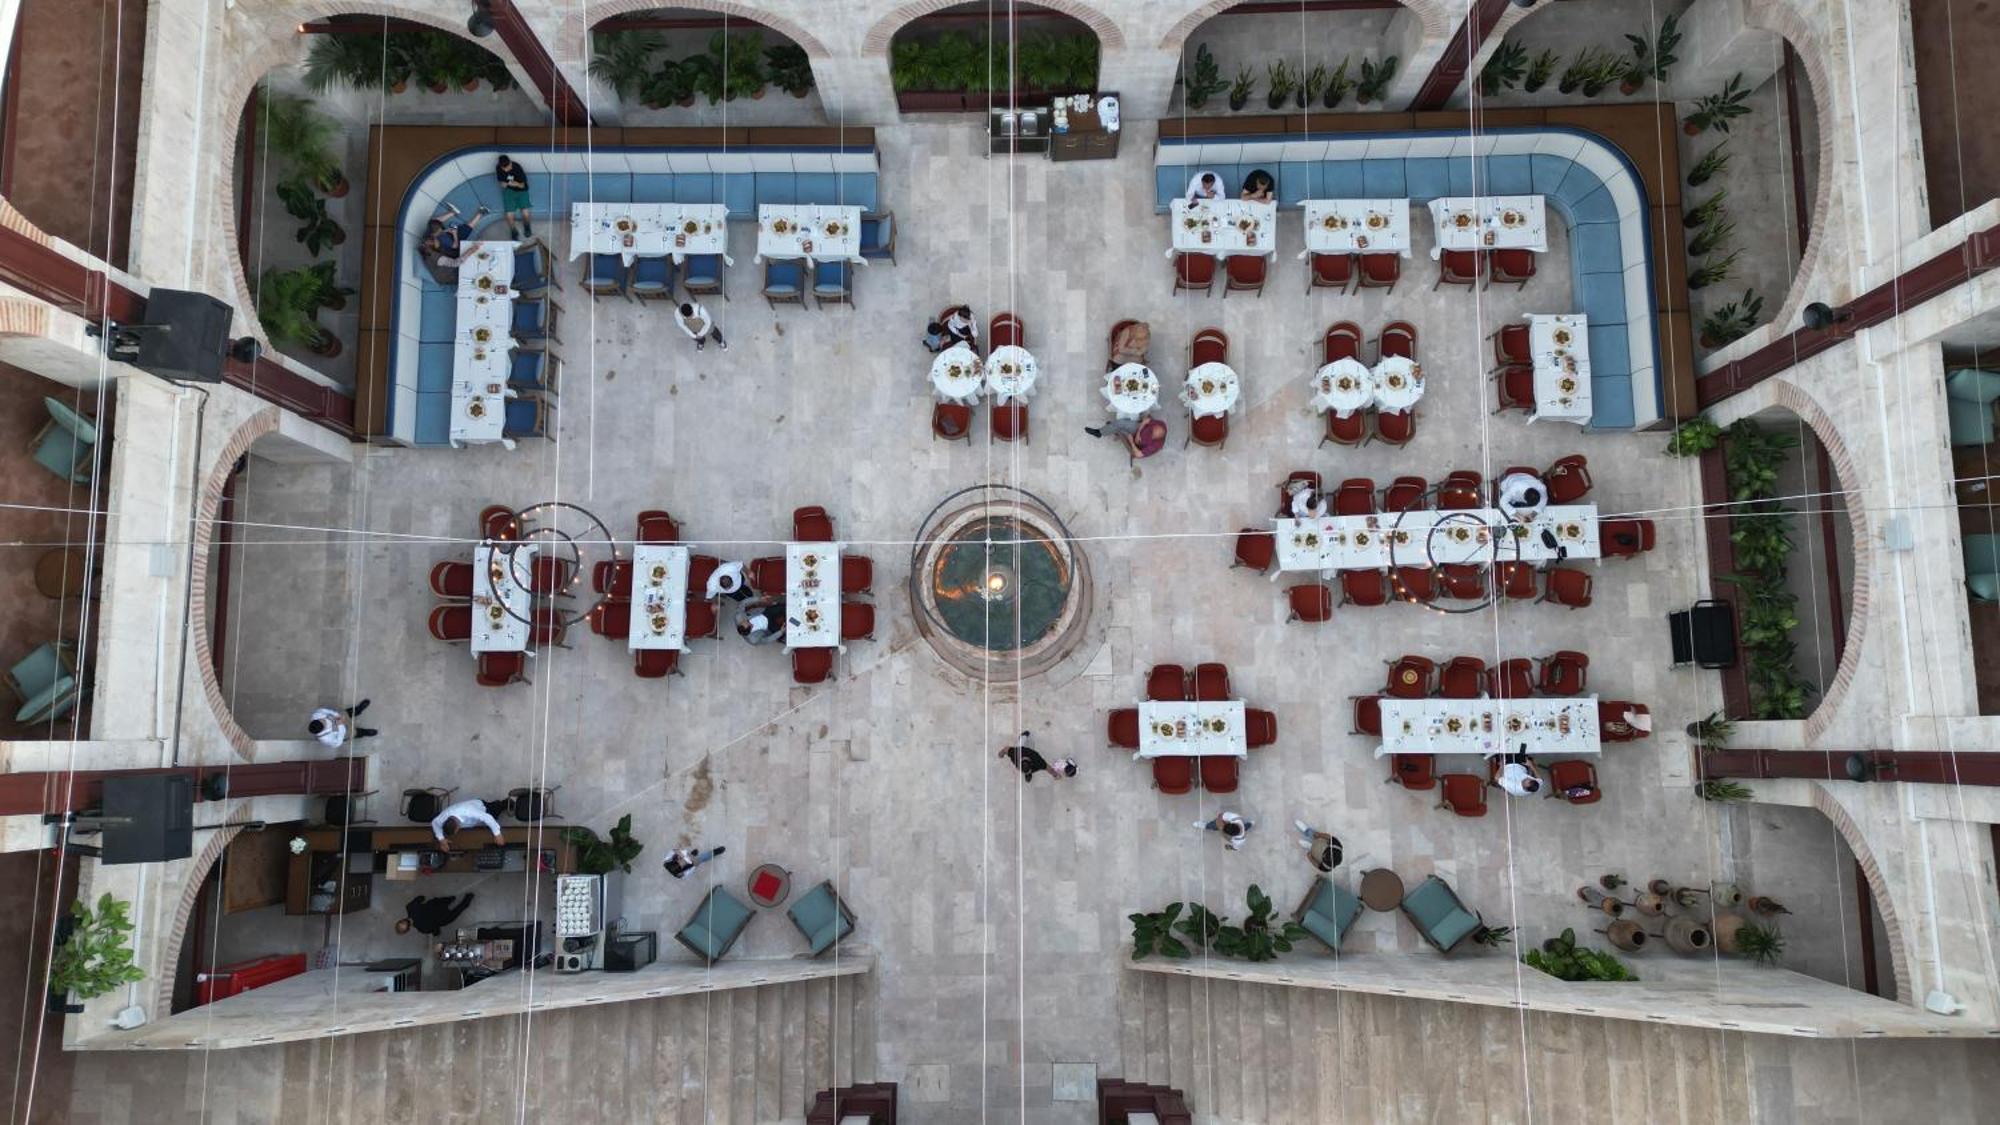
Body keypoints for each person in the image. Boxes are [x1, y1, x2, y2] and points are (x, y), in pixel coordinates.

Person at [430, 797, 507, 851]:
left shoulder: (468, 812)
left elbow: (487, 818)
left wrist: (498, 835)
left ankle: (507, 802)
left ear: (457, 827)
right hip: (469, 811)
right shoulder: (443, 817)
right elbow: (434, 823)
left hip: (480, 806)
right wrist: (442, 840)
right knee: (492, 818)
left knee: (495, 811)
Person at [1084, 415, 1168, 462]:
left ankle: (1109, 429)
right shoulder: (1161, 425)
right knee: (1121, 422)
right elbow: (1147, 420)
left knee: (1119, 429)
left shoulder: (1155, 446)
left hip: (1136, 444)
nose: (1152, 432)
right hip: (1138, 430)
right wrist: (1139, 432)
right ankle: (1101, 432)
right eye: (1153, 430)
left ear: (1157, 438)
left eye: (1153, 434)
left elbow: (1138, 455)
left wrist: (1132, 442)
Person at [397, 893, 474, 937]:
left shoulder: (422, 929)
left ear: (408, 929)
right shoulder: (410, 907)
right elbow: (421, 898)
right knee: (438, 901)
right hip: (438, 904)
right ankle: (451, 899)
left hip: (444, 917)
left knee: (457, 911)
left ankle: (468, 899)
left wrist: (435, 934)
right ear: (402, 919)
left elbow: (436, 930)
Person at [308, 699, 376, 747]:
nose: (324, 720)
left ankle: (359, 709)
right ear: (322, 730)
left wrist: (337, 716)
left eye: (322, 720)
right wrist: (340, 726)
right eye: (325, 723)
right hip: (343, 732)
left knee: (347, 712)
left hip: (338, 718)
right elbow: (337, 743)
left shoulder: (316, 715)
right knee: (354, 733)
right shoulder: (325, 739)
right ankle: (365, 732)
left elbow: (324, 711)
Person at [495, 155, 533, 240]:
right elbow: (501, 182)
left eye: (508, 167)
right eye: (505, 168)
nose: (507, 169)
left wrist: (512, 184)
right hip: (509, 192)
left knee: (525, 213)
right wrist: (504, 184)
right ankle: (513, 231)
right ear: (501, 167)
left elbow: (522, 185)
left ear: (510, 163)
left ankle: (527, 226)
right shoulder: (499, 168)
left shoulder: (517, 168)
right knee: (509, 215)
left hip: (521, 190)